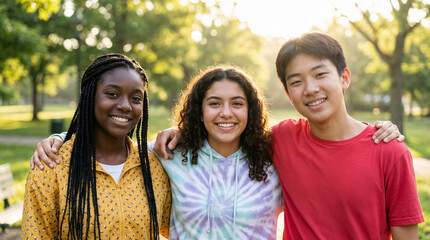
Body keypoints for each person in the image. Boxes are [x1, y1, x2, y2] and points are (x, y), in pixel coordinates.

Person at [31, 64, 403, 240]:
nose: (226, 113)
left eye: (237, 103)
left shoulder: (275, 155)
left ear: (251, 110)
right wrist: (63, 138)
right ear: (198, 110)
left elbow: (331, 151)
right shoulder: (169, 154)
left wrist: (379, 131)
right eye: (214, 103)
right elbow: (114, 143)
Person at [271, 32, 423, 239]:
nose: (311, 89)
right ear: (289, 94)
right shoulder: (281, 138)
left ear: (344, 78)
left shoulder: (390, 150)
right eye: (297, 82)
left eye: (320, 74)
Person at [22, 54, 171, 239]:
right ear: (90, 97)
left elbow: (187, 226)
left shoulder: (153, 167)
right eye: (112, 94)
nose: (125, 106)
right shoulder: (51, 168)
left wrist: (187, 134)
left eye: (135, 98)